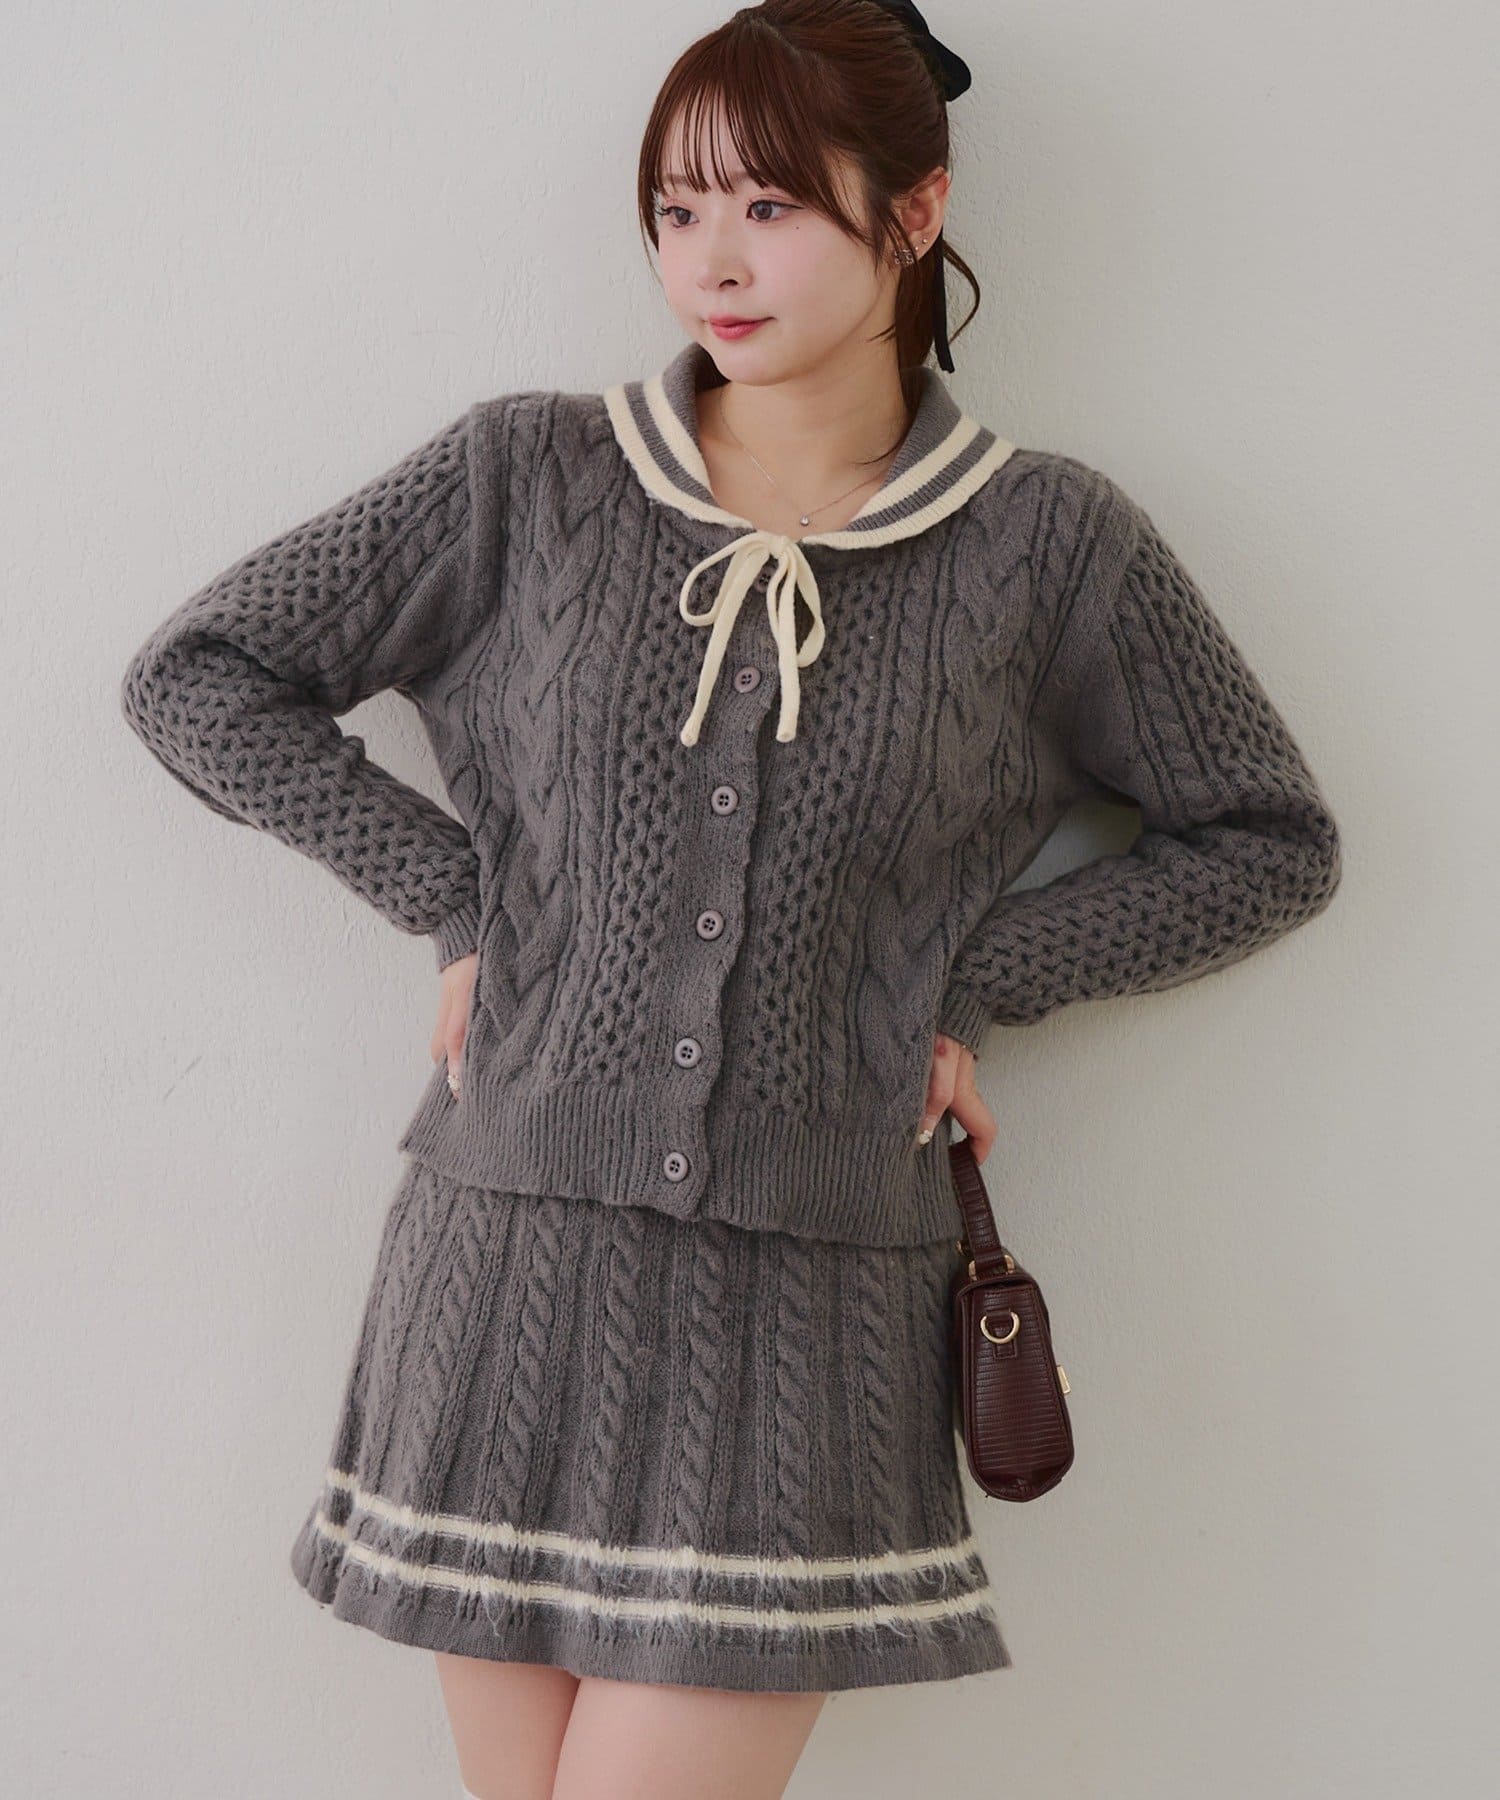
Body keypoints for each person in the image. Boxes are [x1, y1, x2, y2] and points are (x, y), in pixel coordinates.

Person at [117, 3, 1343, 1796]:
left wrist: (971, 978)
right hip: (507, 1269)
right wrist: (453, 898)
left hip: (812, 1313)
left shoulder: (1048, 544)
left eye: (769, 207)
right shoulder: (527, 476)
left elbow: (1268, 835)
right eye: (676, 211)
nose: (712, 262)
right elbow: (200, 674)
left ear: (913, 212)